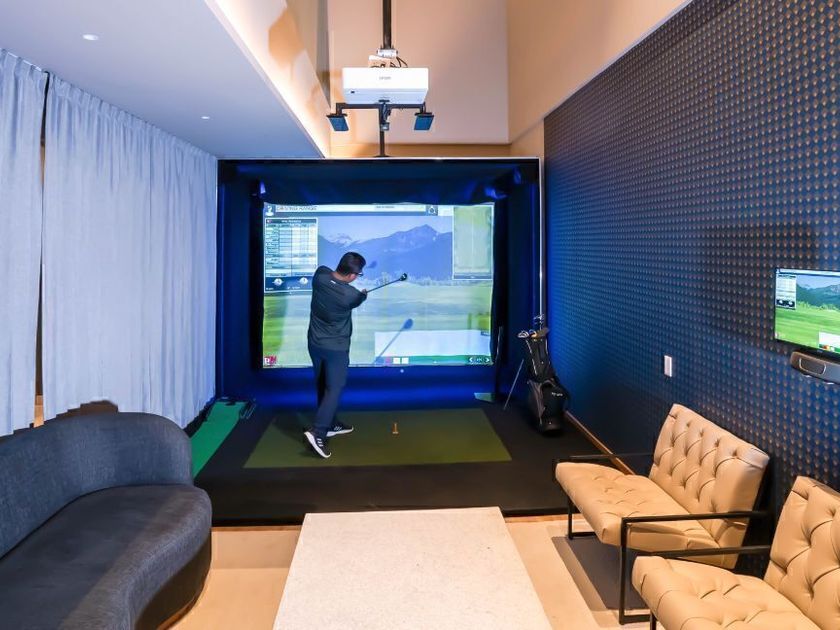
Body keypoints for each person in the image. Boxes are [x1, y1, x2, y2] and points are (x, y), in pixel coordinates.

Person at [304, 252, 367, 458]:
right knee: (334, 388)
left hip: (314, 343)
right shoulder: (351, 295)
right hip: (336, 349)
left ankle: (330, 423)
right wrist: (363, 294)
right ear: (352, 275)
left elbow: (334, 280)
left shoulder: (320, 275)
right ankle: (318, 432)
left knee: (322, 383)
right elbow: (358, 298)